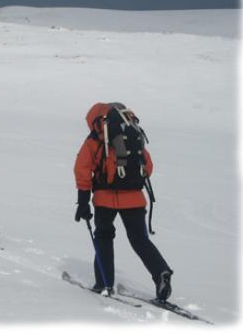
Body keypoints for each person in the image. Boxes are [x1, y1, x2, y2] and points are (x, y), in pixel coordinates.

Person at [73, 102, 173, 301]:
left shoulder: (96, 137)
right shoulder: (132, 134)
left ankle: (104, 282)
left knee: (103, 236)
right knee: (139, 239)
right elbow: (148, 167)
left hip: (104, 198)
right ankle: (161, 271)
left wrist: (83, 201)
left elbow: (82, 168)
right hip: (134, 197)